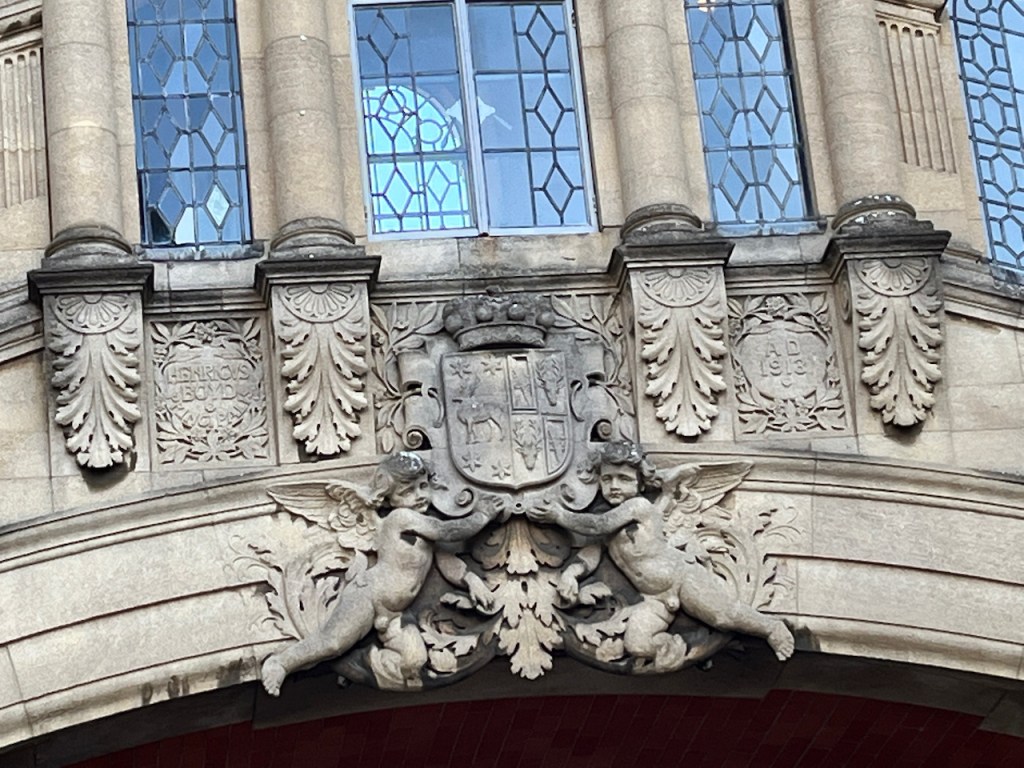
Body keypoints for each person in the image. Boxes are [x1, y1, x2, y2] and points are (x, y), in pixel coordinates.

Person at [530, 441, 795, 667]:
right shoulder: (607, 518)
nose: (614, 486)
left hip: (681, 578)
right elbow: (593, 551)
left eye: (624, 479)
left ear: (640, 483)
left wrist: (560, 515)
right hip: (653, 598)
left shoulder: (639, 507)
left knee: (722, 616)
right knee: (638, 644)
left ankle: (771, 627)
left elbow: (597, 525)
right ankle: (689, 647)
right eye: (607, 478)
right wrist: (571, 574)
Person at [261, 452, 499, 695]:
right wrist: (482, 516)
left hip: (395, 615)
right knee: (332, 642)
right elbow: (447, 531)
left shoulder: (423, 529)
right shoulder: (400, 518)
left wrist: (471, 581)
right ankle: (281, 663)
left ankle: (358, 661)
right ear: (389, 499)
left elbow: (446, 561)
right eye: (406, 492)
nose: (418, 496)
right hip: (369, 596)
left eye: (423, 486)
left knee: (414, 662)